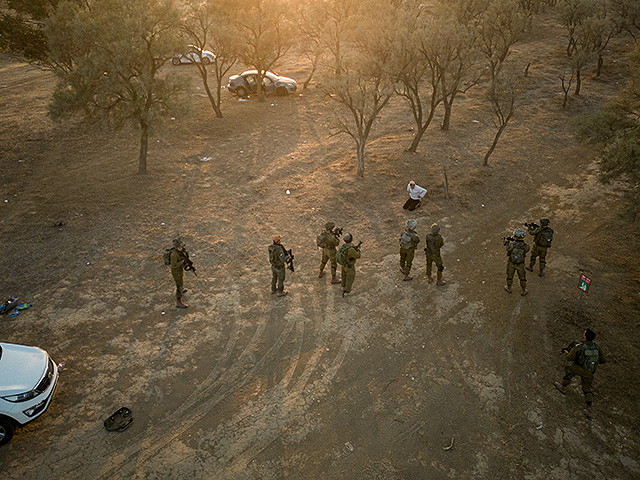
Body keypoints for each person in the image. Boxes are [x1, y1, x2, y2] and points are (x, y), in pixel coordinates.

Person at [554, 329, 606, 419]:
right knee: (587, 388)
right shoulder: (597, 347)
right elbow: (603, 360)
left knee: (569, 371)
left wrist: (566, 353)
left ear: (585, 336)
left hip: (578, 368)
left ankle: (563, 386)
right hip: (590, 372)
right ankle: (589, 409)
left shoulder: (579, 346)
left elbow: (570, 358)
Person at [504, 227, 530, 296]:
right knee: (522, 277)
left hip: (511, 263)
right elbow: (527, 250)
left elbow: (508, 249)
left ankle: (509, 288)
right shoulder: (526, 246)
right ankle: (523, 290)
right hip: (520, 264)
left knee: (510, 275)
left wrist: (507, 241)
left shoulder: (511, 244)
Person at [170, 239, 189, 308]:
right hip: (176, 271)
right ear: (177, 247)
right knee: (179, 285)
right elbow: (174, 265)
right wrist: (182, 262)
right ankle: (179, 302)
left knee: (181, 281)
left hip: (179, 270)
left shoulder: (179, 252)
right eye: (180, 247)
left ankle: (182, 288)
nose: (181, 248)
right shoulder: (173, 255)